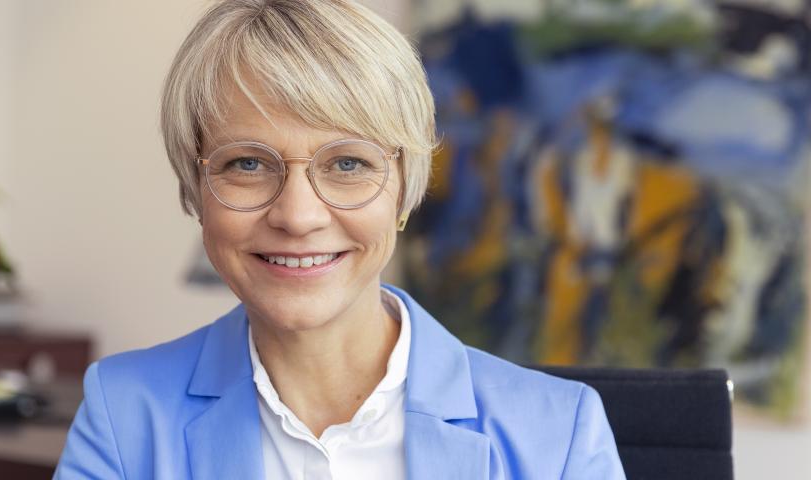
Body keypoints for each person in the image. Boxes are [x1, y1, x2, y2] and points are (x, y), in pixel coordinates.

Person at [54, 1, 626, 479]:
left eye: (348, 163)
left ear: (402, 194)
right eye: (248, 163)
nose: (298, 216)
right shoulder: (123, 412)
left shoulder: (560, 436)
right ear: (194, 191)